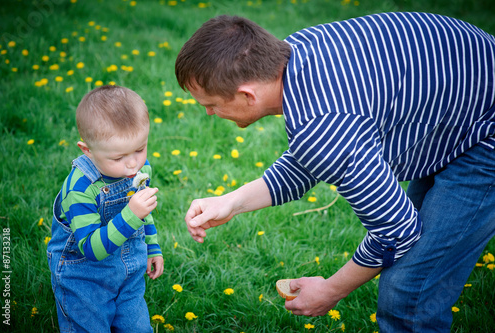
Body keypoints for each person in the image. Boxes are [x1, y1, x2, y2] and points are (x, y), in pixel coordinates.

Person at [175, 12, 495, 332]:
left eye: (212, 104)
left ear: (247, 95)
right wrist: (232, 201)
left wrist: (330, 290)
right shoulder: (296, 52)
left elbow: (396, 233)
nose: (208, 113)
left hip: (485, 129)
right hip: (463, 99)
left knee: (408, 293)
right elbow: (312, 157)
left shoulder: (323, 125)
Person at [47, 85, 163, 332]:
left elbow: (144, 213)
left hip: (129, 272)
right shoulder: (79, 189)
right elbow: (90, 248)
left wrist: (152, 247)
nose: (133, 164)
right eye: (118, 158)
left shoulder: (140, 170)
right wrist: (131, 214)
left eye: (140, 149)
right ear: (87, 151)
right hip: (83, 277)